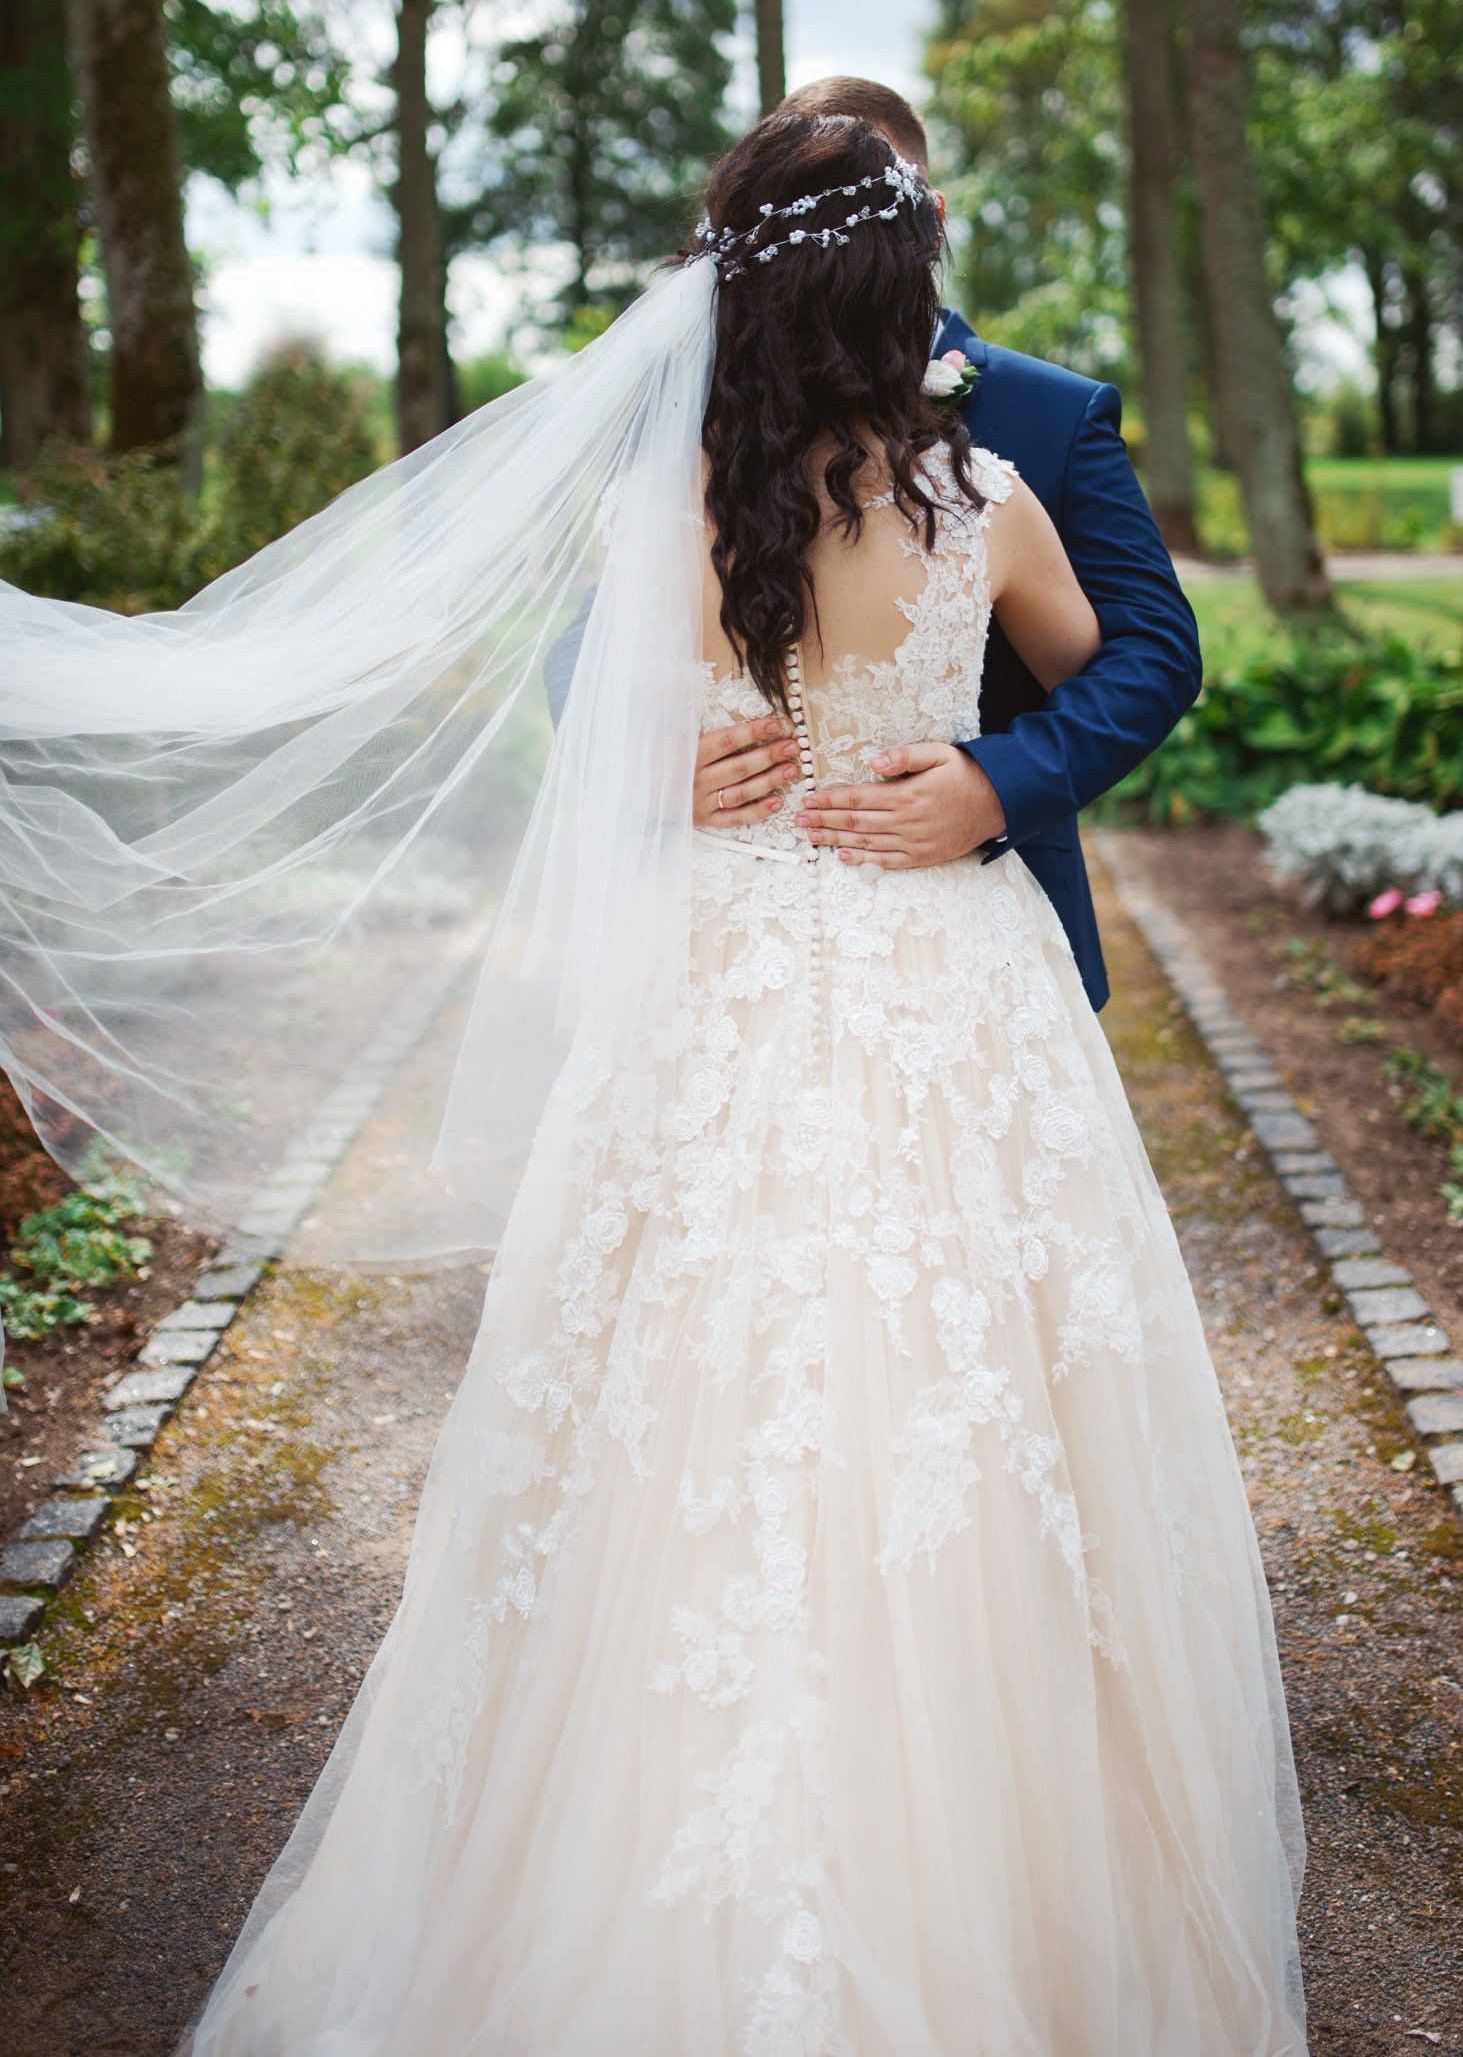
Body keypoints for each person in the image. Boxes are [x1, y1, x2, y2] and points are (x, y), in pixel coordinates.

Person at [3, 108, 1304, 2054]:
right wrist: (646, 759)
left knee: (689, 1365)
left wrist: (976, 782)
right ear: (908, 251)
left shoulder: (668, 489)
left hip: (735, 960)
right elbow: (1044, 640)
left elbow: (1142, 669)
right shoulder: (981, 490)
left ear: (734, 276)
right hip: (936, 987)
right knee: (950, 1367)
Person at [686, 76, 1203, 1014]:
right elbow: (582, 638)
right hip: (723, 920)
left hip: (960, 922)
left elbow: (1155, 654)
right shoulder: (690, 424)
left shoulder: (1052, 415)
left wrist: (995, 783)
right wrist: (648, 764)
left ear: (932, 210)